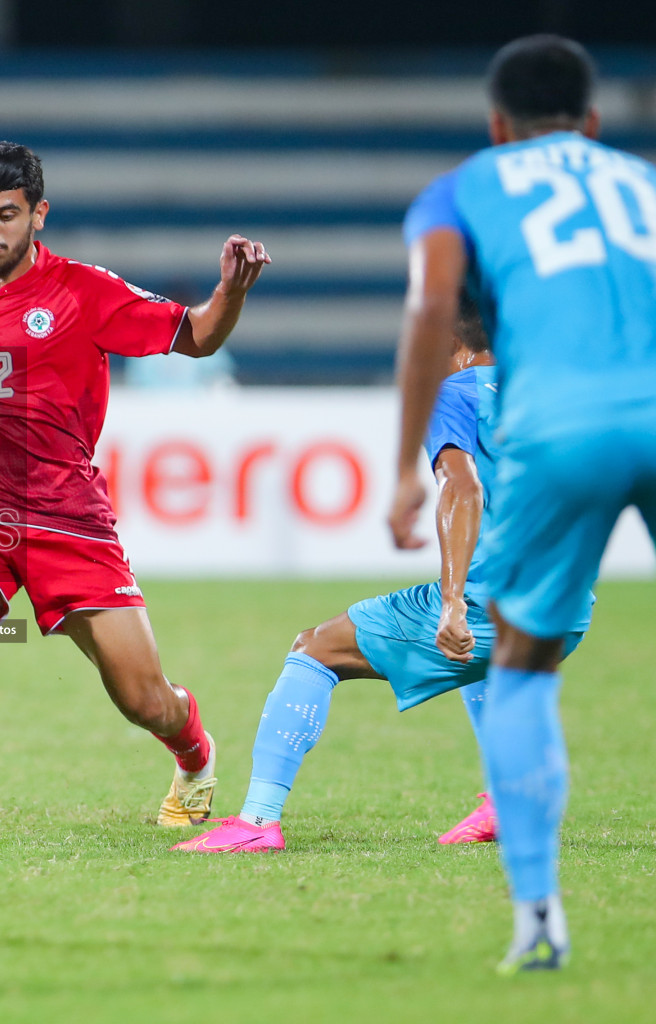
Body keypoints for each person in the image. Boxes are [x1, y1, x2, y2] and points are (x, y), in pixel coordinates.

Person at [0, 141, 269, 822]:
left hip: (65, 512)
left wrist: (230, 293)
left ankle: (195, 752)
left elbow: (196, 338)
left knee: (142, 699)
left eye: (6, 215)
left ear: (38, 214)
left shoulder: (85, 292)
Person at [389, 35, 656, 973]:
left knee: (522, 659)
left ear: (497, 126)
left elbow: (431, 312)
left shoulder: (464, 187)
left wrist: (402, 468)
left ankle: (538, 915)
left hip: (560, 427)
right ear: (591, 121)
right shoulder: (641, 183)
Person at [173, 303, 591, 855]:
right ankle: (508, 802)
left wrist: (452, 602)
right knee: (482, 664)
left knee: (315, 650)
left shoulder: (453, 392)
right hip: (567, 608)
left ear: (452, 347)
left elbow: (462, 487)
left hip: (495, 602)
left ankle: (257, 820)